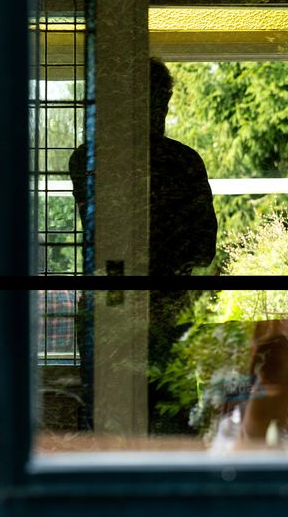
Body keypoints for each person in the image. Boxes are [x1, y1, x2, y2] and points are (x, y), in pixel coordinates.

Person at [68, 57, 218, 436]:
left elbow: (100, 235)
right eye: (159, 101)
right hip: (166, 307)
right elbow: (204, 246)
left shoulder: (87, 159)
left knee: (108, 417)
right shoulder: (184, 162)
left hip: (109, 306)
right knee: (172, 419)